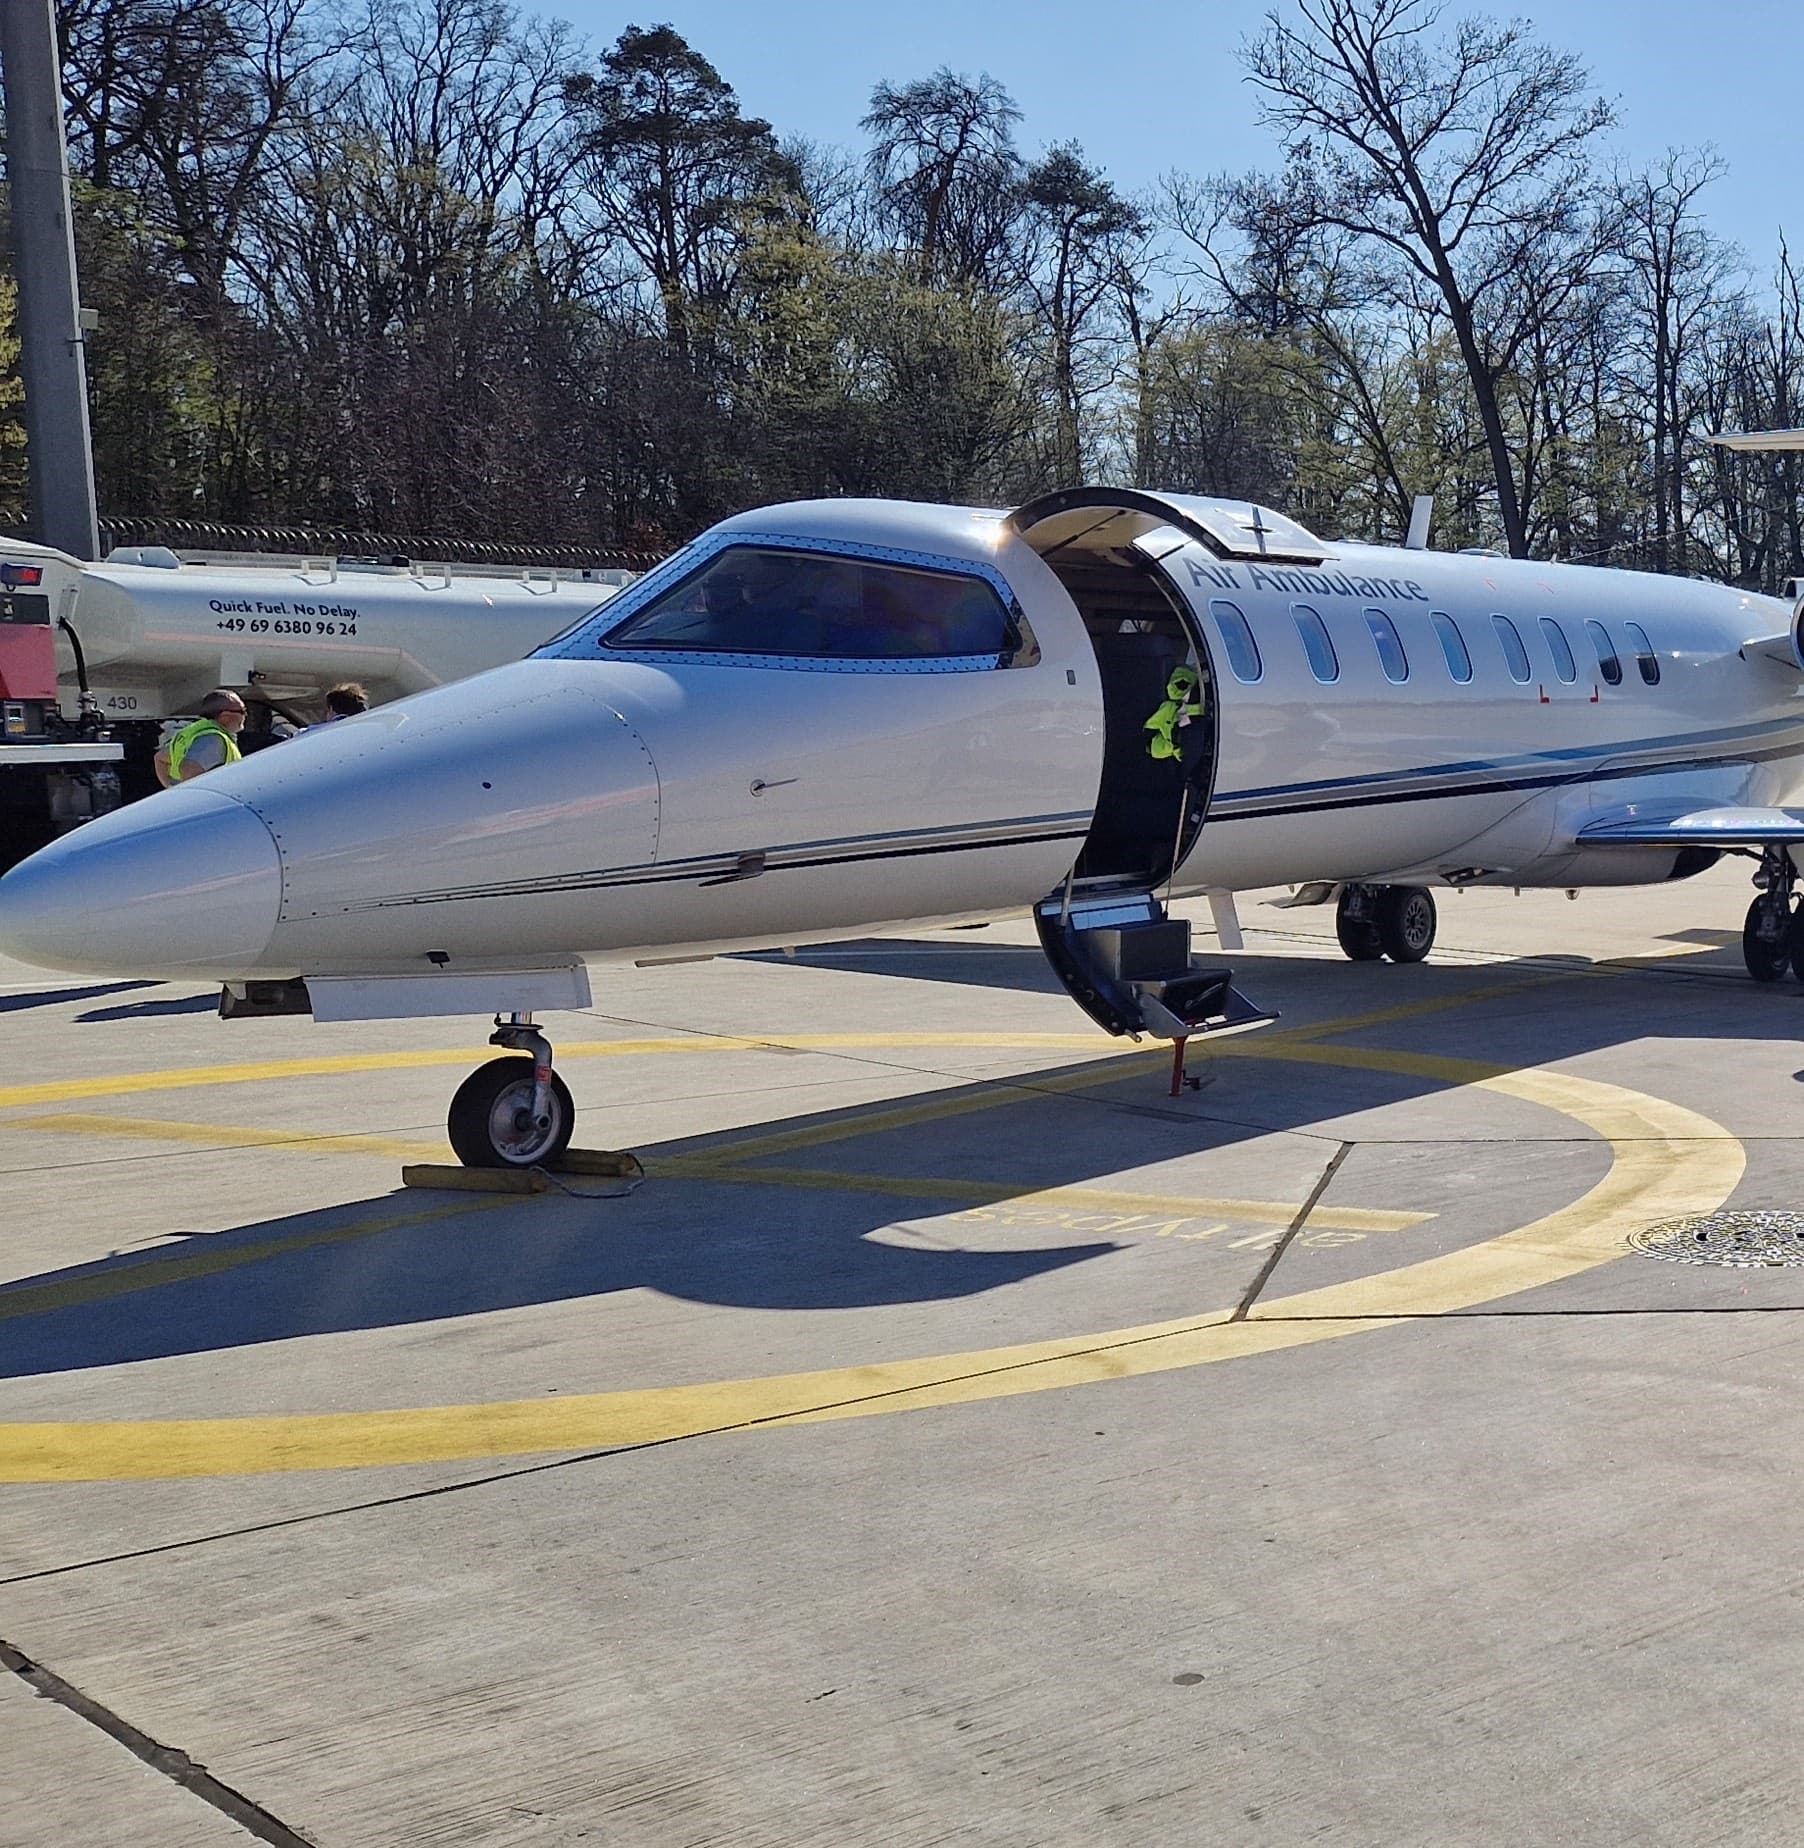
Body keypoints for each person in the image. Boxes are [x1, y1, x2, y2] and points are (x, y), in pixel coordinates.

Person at [154, 689, 248, 787]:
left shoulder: (194, 731)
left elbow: (160, 758)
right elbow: (189, 769)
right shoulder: (213, 739)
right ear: (225, 715)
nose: (245, 715)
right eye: (242, 711)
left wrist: (171, 789)